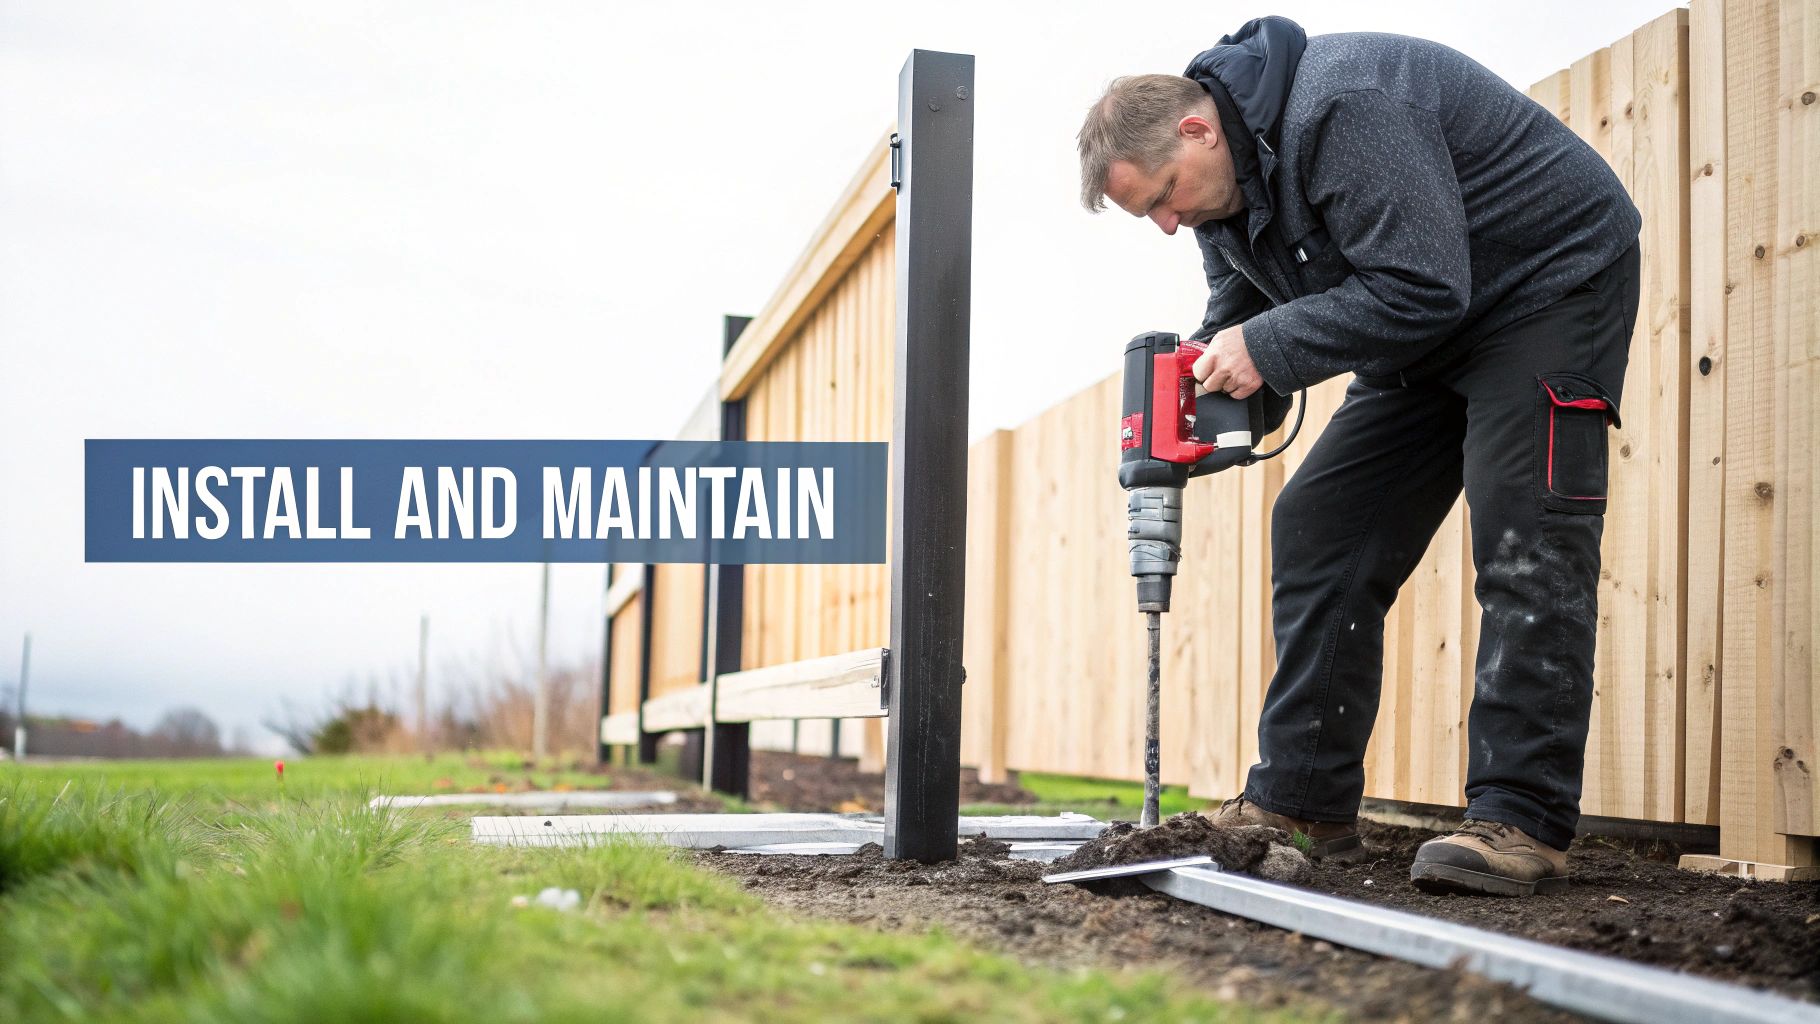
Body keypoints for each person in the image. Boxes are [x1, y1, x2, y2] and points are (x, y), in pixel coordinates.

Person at [1077, 16, 1640, 896]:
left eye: (1163, 196)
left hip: (1544, 287)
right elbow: (1241, 305)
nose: (1165, 221)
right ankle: (1303, 799)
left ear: (1196, 127)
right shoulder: (1225, 191)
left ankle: (1519, 821)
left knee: (1525, 536)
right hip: (1424, 328)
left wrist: (1266, 345)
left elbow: (1422, 282)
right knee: (1318, 526)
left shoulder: (1346, 101)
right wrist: (1192, 390)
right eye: (1151, 211)